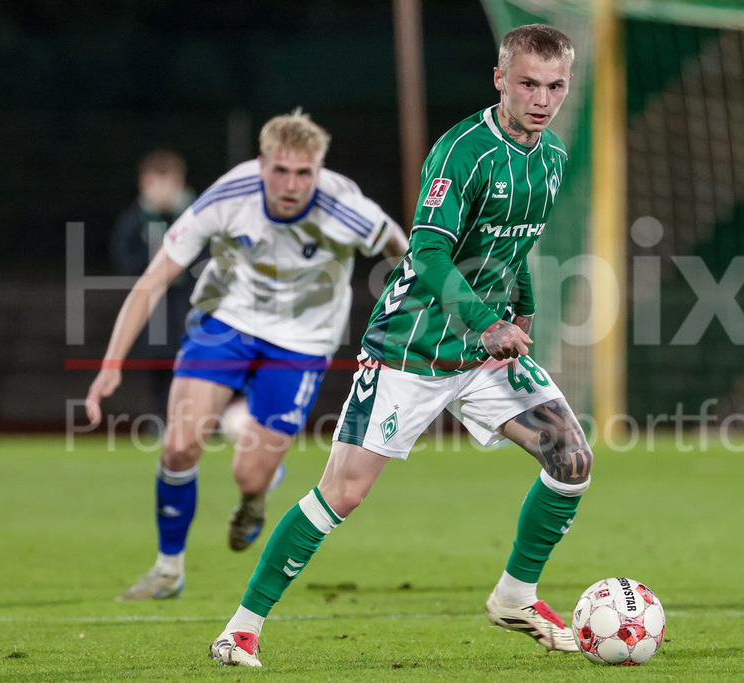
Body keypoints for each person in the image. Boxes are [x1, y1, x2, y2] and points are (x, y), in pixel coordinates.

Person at [209, 24, 590, 668]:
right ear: (500, 78)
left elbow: (513, 244)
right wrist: (483, 319)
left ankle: (515, 596)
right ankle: (241, 628)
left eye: (555, 86)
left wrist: (522, 306)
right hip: (410, 348)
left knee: (571, 459)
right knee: (343, 493)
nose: (541, 98)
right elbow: (429, 250)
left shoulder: (550, 158)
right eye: (528, 83)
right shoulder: (460, 152)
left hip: (484, 351)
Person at [84, 111, 409, 601]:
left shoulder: (346, 207)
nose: (291, 184)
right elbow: (153, 278)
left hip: (301, 343)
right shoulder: (229, 195)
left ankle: (255, 497)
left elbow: (402, 252)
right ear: (262, 164)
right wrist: (110, 365)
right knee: (178, 446)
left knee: (247, 473)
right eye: (280, 170)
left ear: (319, 171)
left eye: (304, 173)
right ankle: (168, 568)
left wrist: (413, 315)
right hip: (226, 323)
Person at [110, 149, 200, 425]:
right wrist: (156, 259)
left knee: (193, 366)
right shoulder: (135, 220)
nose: (162, 191)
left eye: (168, 183)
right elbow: (123, 259)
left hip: (190, 306)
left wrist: (182, 262)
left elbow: (213, 257)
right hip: (153, 309)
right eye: (156, 183)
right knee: (156, 368)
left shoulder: (197, 216)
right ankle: (158, 420)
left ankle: (197, 421)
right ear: (144, 185)